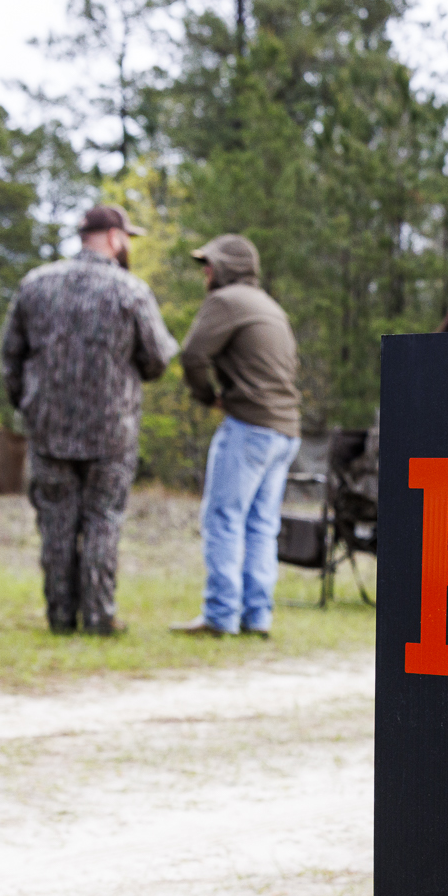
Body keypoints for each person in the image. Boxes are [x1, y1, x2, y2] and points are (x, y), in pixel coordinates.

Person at [0, 203, 179, 634]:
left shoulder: (35, 284)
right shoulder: (131, 291)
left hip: (49, 428)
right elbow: (158, 358)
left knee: (56, 523)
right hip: (111, 431)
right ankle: (99, 617)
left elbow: (10, 356)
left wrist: (28, 404)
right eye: (127, 238)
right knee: (103, 521)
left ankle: (60, 616)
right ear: (115, 237)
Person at [171, 234, 302, 639]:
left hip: (249, 428)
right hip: (286, 431)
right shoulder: (271, 307)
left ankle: (220, 616)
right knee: (262, 526)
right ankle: (257, 617)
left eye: (209, 264)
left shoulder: (226, 301)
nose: (205, 273)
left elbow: (193, 355)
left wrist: (207, 396)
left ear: (227, 267)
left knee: (224, 519)